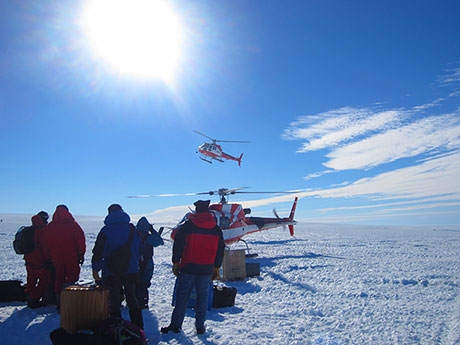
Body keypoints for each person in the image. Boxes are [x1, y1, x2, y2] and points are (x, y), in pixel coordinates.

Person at [161, 200, 225, 335]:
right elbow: (220, 249)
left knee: (182, 296)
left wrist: (175, 262)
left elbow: (178, 244)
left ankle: (175, 325)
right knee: (202, 297)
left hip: (189, 267)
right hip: (206, 269)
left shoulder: (188, 225)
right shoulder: (216, 228)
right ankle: (200, 327)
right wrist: (216, 267)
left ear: (196, 210)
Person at [91, 204, 144, 329]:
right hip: (131, 270)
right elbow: (140, 248)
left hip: (111, 271)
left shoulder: (105, 231)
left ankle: (116, 331)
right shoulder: (132, 229)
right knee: (132, 299)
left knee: (114, 301)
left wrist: (95, 269)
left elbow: (98, 251)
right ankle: (139, 330)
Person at [45, 205, 86, 308]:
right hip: (71, 257)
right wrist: (81, 253)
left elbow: (46, 243)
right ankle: (69, 300)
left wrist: (50, 255)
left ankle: (60, 300)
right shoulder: (73, 225)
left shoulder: (50, 226)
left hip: (57, 258)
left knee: (59, 278)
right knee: (72, 277)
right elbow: (80, 240)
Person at [135, 216, 164, 309]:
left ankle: (133, 300)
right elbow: (159, 241)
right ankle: (143, 303)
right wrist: (152, 230)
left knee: (135, 282)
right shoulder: (148, 237)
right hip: (147, 262)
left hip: (135, 262)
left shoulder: (133, 235)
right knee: (144, 283)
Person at [24, 211, 51, 308]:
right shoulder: (42, 231)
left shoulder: (30, 230)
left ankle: (28, 295)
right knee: (44, 280)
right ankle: (33, 299)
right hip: (39, 261)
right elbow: (45, 247)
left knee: (31, 280)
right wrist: (48, 259)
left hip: (29, 260)